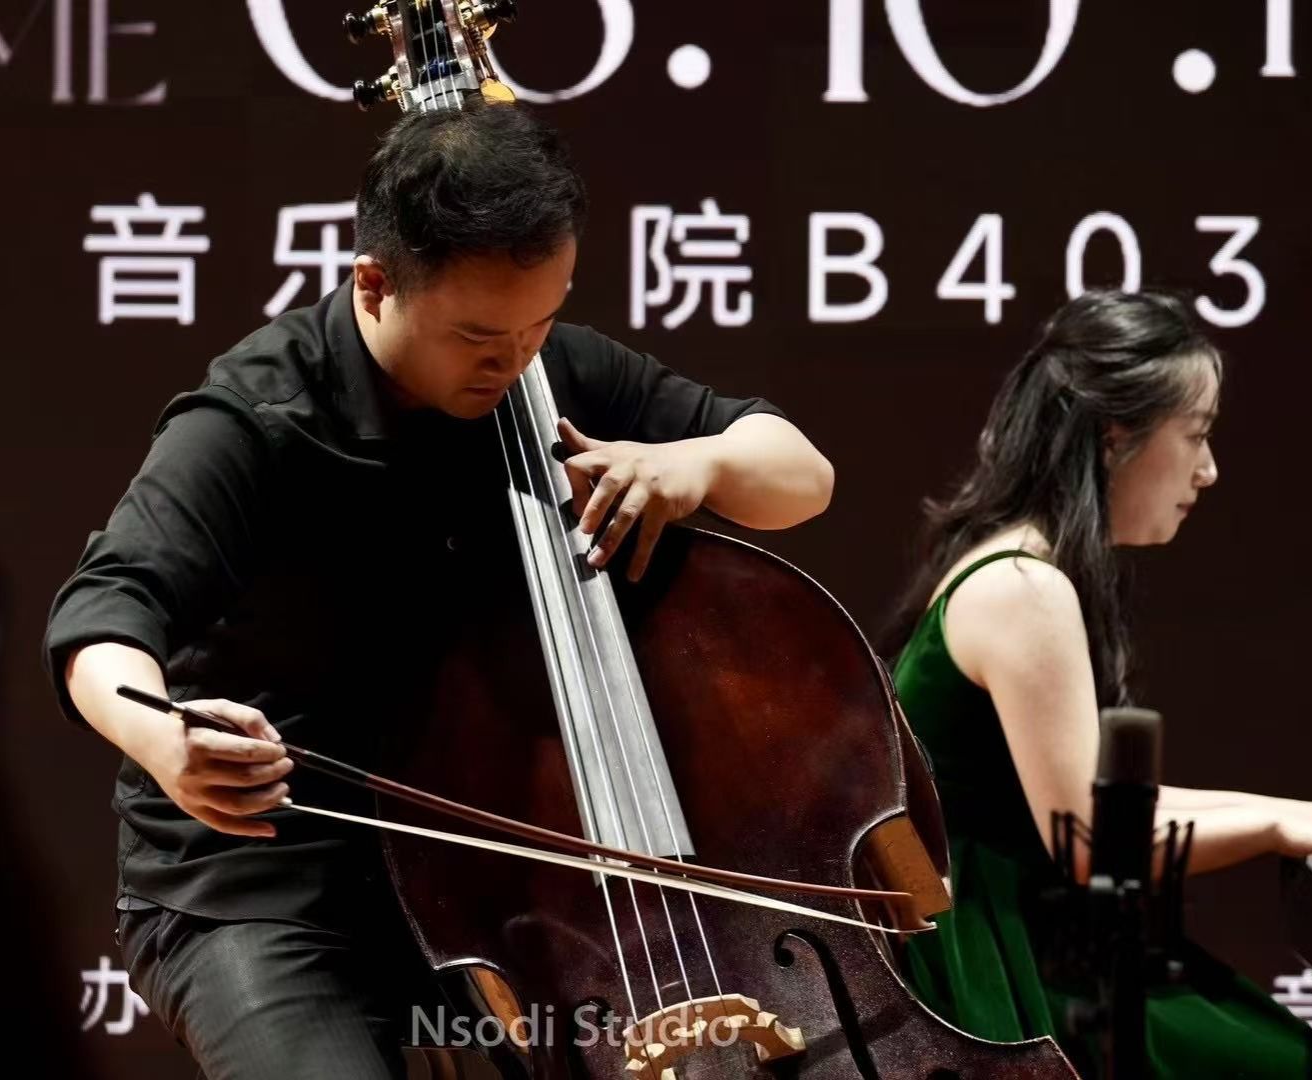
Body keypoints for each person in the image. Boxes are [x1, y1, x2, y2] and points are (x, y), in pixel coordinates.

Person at [41, 100, 835, 1079]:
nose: (515, 362)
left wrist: (698, 465)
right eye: (478, 336)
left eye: (541, 323)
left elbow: (800, 474)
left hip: (486, 889)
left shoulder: (543, 370)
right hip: (266, 892)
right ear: (374, 285)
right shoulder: (255, 419)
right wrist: (163, 736)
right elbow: (102, 618)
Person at [881, 290, 1312, 1077]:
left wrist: (1301, 815)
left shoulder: (1020, 567)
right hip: (1013, 974)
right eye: (1196, 434)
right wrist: (1277, 830)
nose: (1209, 469)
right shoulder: (1022, 589)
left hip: (1039, 943)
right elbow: (1092, 843)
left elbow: (1105, 807)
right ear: (1115, 435)